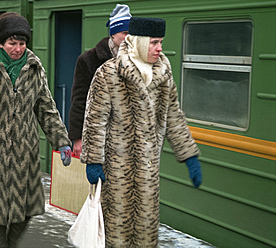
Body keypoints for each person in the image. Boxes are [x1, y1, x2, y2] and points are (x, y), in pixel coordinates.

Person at [0, 12, 72, 248]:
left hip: (24, 154)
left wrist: (61, 141)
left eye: (22, 43)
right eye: (12, 43)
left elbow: (46, 108)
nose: (18, 49)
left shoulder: (35, 68)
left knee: (28, 209)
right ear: (0, 43)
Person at [80, 17, 203, 247]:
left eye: (161, 43)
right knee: (115, 237)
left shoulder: (163, 75)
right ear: (140, 42)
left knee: (145, 235)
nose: (160, 49)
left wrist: (189, 155)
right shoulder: (109, 73)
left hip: (148, 173)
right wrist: (94, 161)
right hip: (116, 174)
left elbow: (174, 116)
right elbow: (95, 120)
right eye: (155, 43)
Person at [68, 4, 132, 156]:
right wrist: (78, 137)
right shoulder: (89, 60)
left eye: (132, 34)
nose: (129, 38)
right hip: (99, 135)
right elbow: (79, 99)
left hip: (128, 138)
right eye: (125, 33)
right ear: (113, 33)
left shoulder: (136, 60)